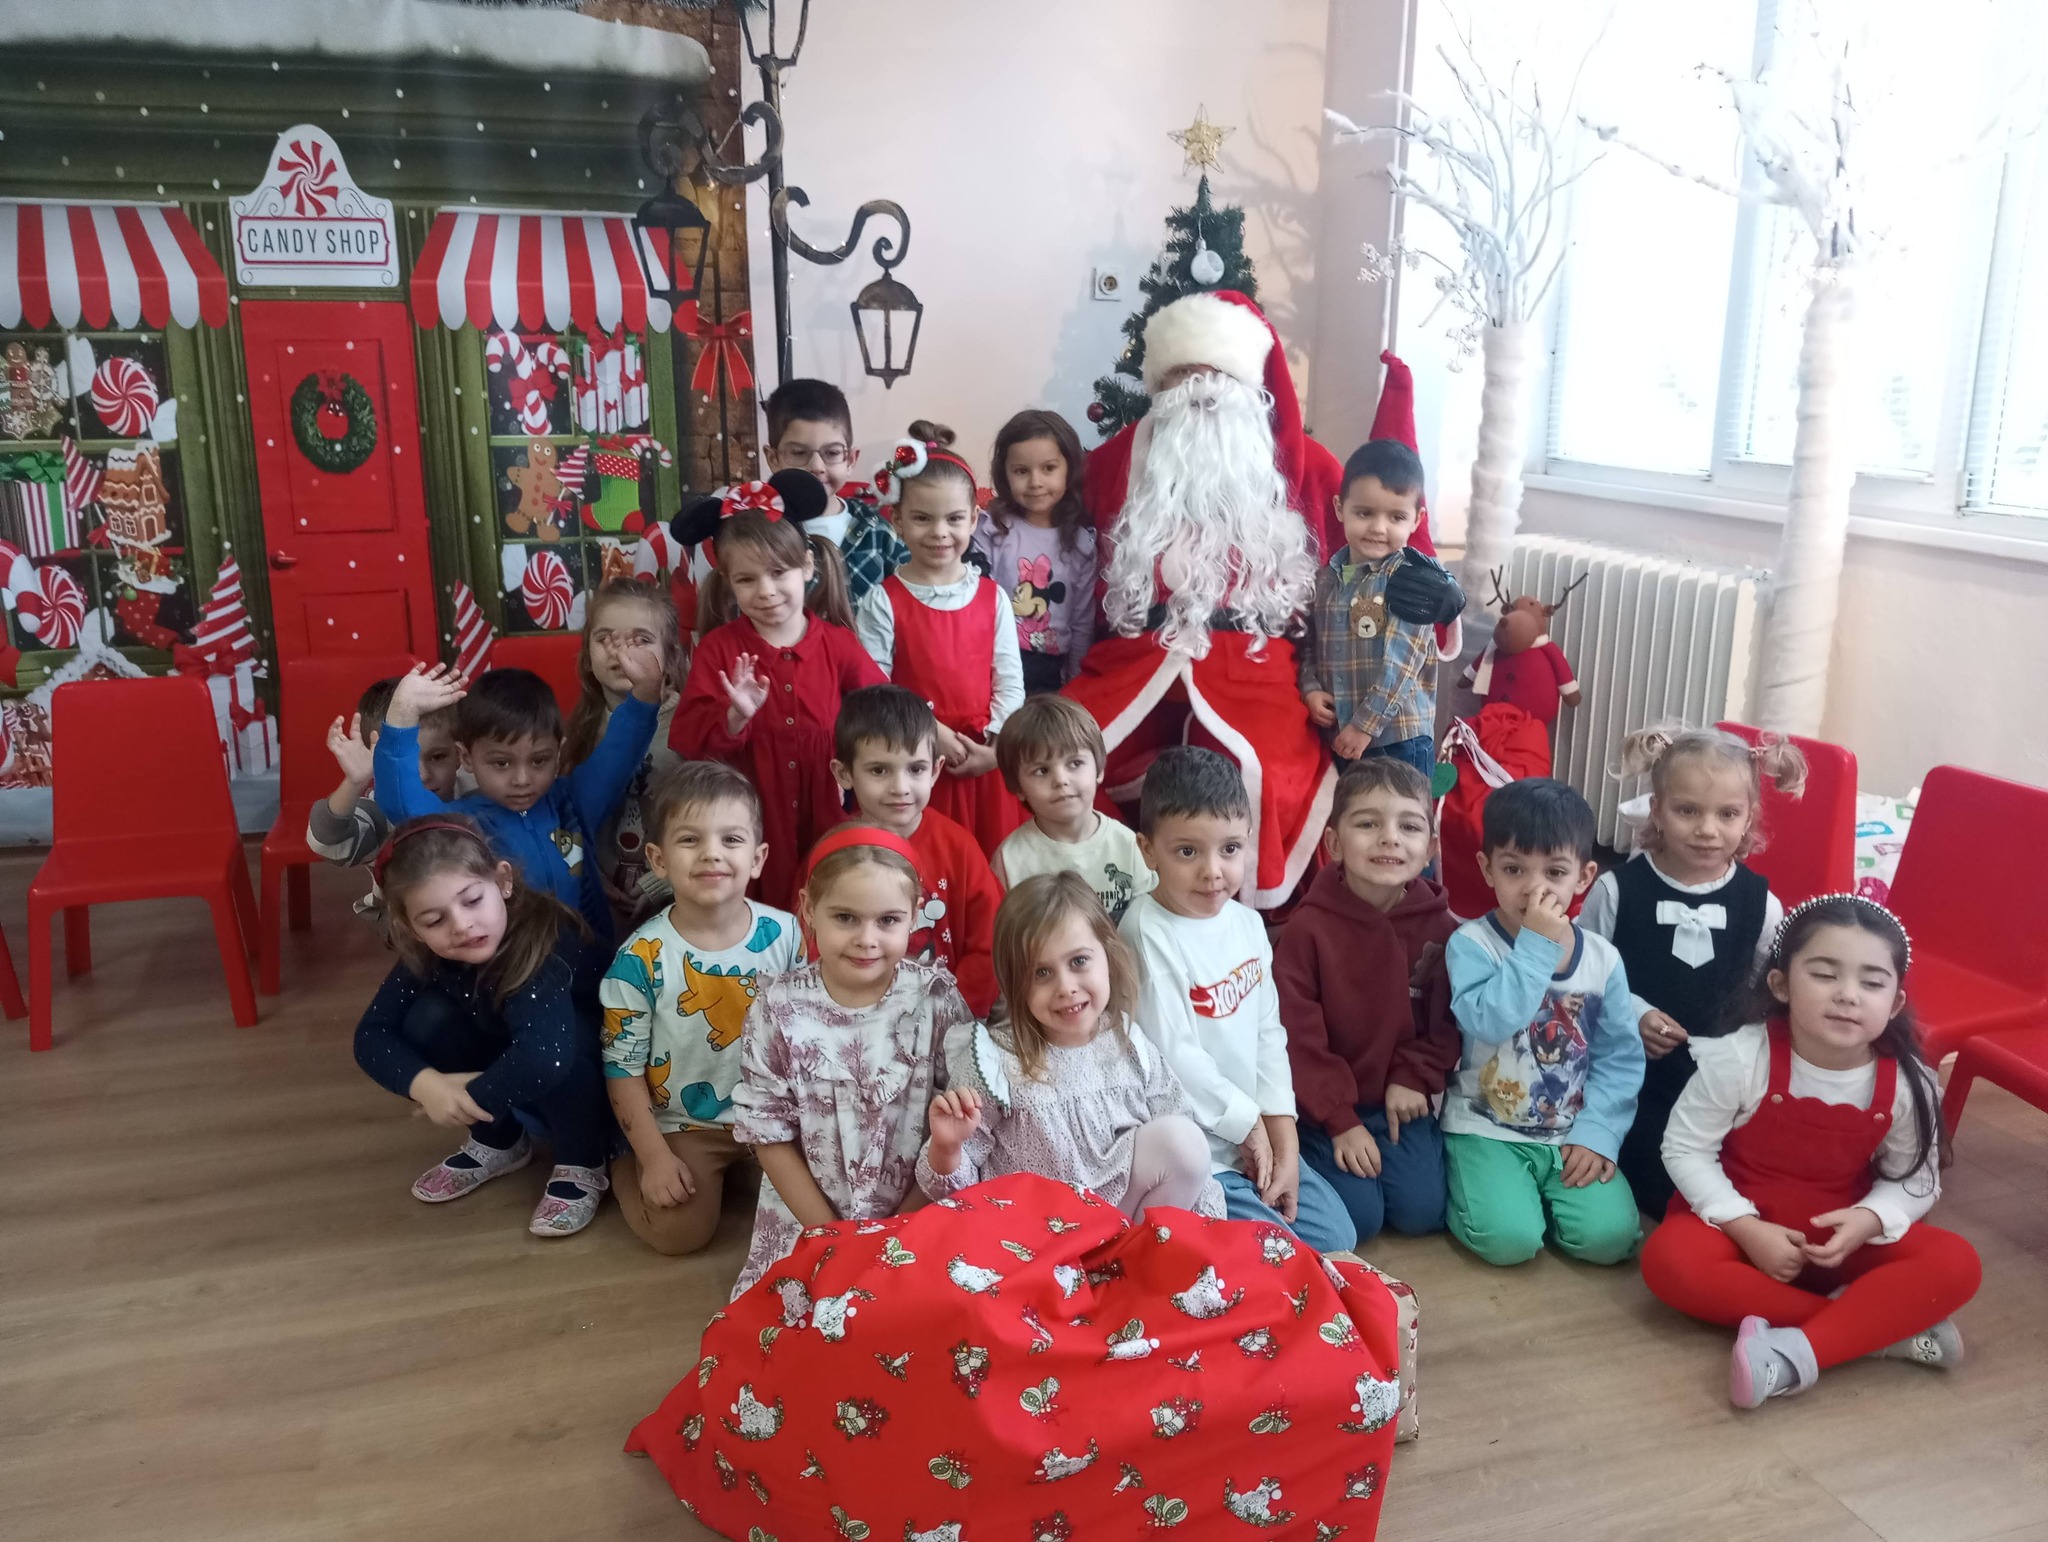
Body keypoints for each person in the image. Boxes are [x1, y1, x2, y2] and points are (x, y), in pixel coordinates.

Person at [1066, 293, 1460, 908]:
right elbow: (1043, 509)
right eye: (1182, 377)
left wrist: (1441, 594)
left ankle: (1251, 915)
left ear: (1246, 388)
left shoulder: (1305, 467)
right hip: (1137, 656)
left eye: (1214, 377)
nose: (1199, 392)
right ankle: (1096, 896)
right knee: (1057, 751)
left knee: (1268, 772)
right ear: (1160, 387)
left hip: (1258, 662)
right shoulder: (1122, 459)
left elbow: (1385, 527)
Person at [1640, 895, 1981, 1408]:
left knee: (1956, 1263)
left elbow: (1916, 1179)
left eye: (1872, 983)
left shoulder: (1909, 1084)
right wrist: (1747, 1229)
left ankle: (1798, 1351)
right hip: (1735, 1232)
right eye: (1824, 975)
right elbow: (1686, 1149)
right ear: (1781, 985)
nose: (1848, 995)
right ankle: (1873, 1331)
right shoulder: (1739, 1058)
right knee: (1670, 1262)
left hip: (1840, 1240)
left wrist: (1869, 1220)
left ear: (1895, 1003)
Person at [1118, 746, 1356, 1254]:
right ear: (1147, 850)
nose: (1212, 871)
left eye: (1229, 849)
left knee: (1338, 1235)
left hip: (1254, 1135)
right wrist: (1247, 1124)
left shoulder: (1247, 924)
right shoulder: (1146, 930)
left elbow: (1269, 1035)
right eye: (1187, 852)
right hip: (1199, 1153)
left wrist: (1284, 1137)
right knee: (1280, 1253)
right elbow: (1174, 1058)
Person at [728, 825, 971, 1296]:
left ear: (914, 916)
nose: (866, 939)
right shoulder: (778, 1008)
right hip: (810, 1217)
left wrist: (896, 1231)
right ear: (808, 909)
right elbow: (767, 1132)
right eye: (845, 917)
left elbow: (954, 1126)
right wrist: (831, 1238)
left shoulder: (936, 1000)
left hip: (918, 1210)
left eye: (888, 920)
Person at [351, 815, 612, 1237]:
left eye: (472, 900)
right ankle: (499, 1141)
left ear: (503, 882)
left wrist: (466, 1097)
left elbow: (545, 1058)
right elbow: (371, 1034)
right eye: (433, 920)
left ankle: (582, 1160)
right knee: (427, 1019)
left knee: (564, 1039)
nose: (461, 925)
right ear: (410, 928)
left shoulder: (542, 941)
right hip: (520, 1045)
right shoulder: (428, 951)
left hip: (593, 1063)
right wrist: (426, 1086)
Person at [1585, 724, 1807, 1217]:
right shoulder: (1617, 891)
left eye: (1727, 814)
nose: (1708, 830)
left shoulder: (1762, 904)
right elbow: (1582, 974)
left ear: (1749, 818)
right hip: (1629, 1072)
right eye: (1688, 810)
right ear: (1657, 810)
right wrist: (1633, 1013)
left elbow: (1765, 995)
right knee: (1654, 1188)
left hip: (1718, 1080)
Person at [916, 871, 1224, 1219]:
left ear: (1108, 954)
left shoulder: (1128, 1041)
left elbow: (1190, 1155)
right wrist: (947, 1147)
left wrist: (1212, 1225)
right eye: (1041, 973)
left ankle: (1143, 1248)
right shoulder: (993, 1061)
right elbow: (957, 1196)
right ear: (1015, 983)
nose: (1066, 987)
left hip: (1123, 1221)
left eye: (1078, 961)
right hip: (1038, 1231)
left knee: (1183, 1142)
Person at [1441, 778, 1649, 1267]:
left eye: (1555, 872)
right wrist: (1536, 945)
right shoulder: (1470, 945)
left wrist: (1599, 1133)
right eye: (1514, 869)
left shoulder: (1603, 959)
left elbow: (1619, 1058)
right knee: (1509, 1243)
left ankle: (1542, 1200)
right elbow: (1491, 1021)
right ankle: (1479, 1191)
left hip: (1569, 1134)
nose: (1535, 889)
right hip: (1485, 1128)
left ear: (1584, 876)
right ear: (1487, 869)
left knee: (1611, 1240)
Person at [601, 761, 802, 1257]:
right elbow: (622, 1068)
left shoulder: (788, 935)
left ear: (757, 858)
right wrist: (652, 1158)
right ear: (658, 859)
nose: (712, 853)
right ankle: (621, 1165)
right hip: (685, 1124)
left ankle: (737, 1176)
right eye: (690, 840)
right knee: (679, 1233)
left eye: (731, 840)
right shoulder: (638, 959)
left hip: (775, 1117)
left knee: (823, 1203)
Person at [1278, 759, 1461, 1244]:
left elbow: (1447, 1024)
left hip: (1401, 1102)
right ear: (1334, 843)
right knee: (1361, 1219)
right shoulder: (1307, 930)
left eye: (1409, 827)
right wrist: (1338, 1120)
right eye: (1367, 824)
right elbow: (1296, 1038)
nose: (1389, 838)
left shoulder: (1443, 929)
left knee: (1422, 1213)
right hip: (1324, 1109)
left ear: (1430, 849)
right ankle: (1304, 1150)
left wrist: (1414, 1075)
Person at [669, 505, 883, 911]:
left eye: (778, 572)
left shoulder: (837, 644)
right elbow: (686, 741)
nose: (766, 591)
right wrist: (735, 716)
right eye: (746, 579)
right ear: (728, 582)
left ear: (807, 566)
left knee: (831, 905)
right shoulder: (719, 649)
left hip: (828, 817)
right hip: (751, 822)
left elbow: (881, 713)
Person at [375, 660, 662, 955]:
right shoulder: (461, 826)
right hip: (514, 970)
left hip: (590, 961)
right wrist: (401, 715)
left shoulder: (571, 802)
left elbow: (618, 754)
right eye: (501, 763)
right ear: (467, 757)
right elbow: (400, 803)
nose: (522, 779)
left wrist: (646, 694)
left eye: (539, 760)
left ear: (558, 752)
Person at [856, 423, 1024, 856]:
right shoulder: (883, 601)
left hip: (981, 759)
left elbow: (1009, 681)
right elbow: (874, 689)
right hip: (913, 764)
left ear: (974, 519)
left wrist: (995, 748)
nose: (939, 532)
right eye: (922, 518)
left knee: (987, 864)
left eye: (954, 519)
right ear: (897, 519)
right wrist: (931, 734)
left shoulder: (993, 597)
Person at [830, 684, 1000, 1017]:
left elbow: (990, 943)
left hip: (950, 1020)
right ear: (844, 773)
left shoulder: (959, 847)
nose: (900, 787)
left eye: (916, 769)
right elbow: (814, 941)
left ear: (935, 770)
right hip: (856, 1022)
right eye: (879, 770)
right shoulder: (833, 852)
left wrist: (952, 1011)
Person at [1299, 439, 1461, 780]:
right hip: (1342, 736)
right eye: (1365, 513)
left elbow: (1402, 665)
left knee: (1403, 813)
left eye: (1396, 517)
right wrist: (1311, 688)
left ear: (1416, 519)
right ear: (1340, 508)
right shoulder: (1327, 579)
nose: (1378, 528)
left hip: (1397, 739)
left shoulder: (1411, 580)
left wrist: (1364, 726)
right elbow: (1311, 644)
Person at [562, 577, 685, 928]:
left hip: (677, 908)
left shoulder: (689, 728)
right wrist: (582, 871)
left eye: (641, 640)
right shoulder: (574, 735)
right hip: (601, 911)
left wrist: (666, 878)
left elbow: (714, 822)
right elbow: (559, 821)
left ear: (670, 655)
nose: (621, 652)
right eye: (605, 639)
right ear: (588, 656)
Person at [990, 693, 1154, 923]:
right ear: (1017, 786)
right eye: (1041, 770)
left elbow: (1151, 922)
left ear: (1099, 769)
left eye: (1075, 763)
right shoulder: (1010, 860)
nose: (1061, 780)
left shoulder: (1128, 845)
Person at [309, 675, 462, 919]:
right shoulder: (379, 812)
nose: (423, 775)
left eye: (438, 757)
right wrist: (354, 783)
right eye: (403, 763)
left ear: (460, 755)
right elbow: (327, 842)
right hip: (405, 924)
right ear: (376, 761)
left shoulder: (475, 793)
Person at [969, 409, 1097, 694]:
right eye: (1021, 471)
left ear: (1070, 469)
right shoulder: (992, 530)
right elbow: (974, 604)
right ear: (1004, 474)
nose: (1035, 482)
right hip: (992, 662)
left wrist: (1074, 684)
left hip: (1049, 671)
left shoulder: (1080, 545)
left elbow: (1082, 622)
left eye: (1048, 468)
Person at [760, 377, 906, 605]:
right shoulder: (760, 533)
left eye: (832, 453)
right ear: (773, 458)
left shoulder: (877, 532)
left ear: (850, 460)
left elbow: (912, 597)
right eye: (798, 453)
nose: (817, 467)